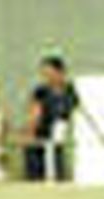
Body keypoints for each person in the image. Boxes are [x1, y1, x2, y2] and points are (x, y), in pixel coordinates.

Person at [24, 53, 80, 181]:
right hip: (41, 138)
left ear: (60, 72)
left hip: (60, 138)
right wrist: (29, 134)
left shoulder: (70, 91)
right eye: (44, 74)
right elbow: (34, 116)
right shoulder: (41, 92)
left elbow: (79, 111)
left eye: (50, 73)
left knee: (58, 172)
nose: (47, 78)